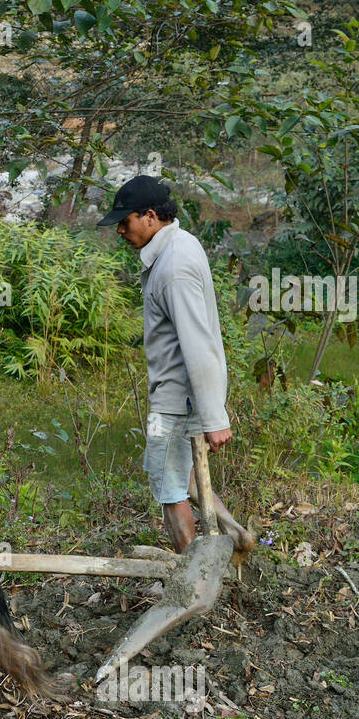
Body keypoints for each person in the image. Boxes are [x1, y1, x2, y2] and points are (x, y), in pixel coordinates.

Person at [97, 175, 255, 560]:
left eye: (126, 220)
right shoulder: (180, 245)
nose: (120, 229)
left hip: (175, 401)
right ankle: (237, 536)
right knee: (185, 475)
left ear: (150, 216)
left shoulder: (174, 267)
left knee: (167, 484)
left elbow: (197, 343)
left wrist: (214, 417)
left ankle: (191, 572)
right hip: (186, 396)